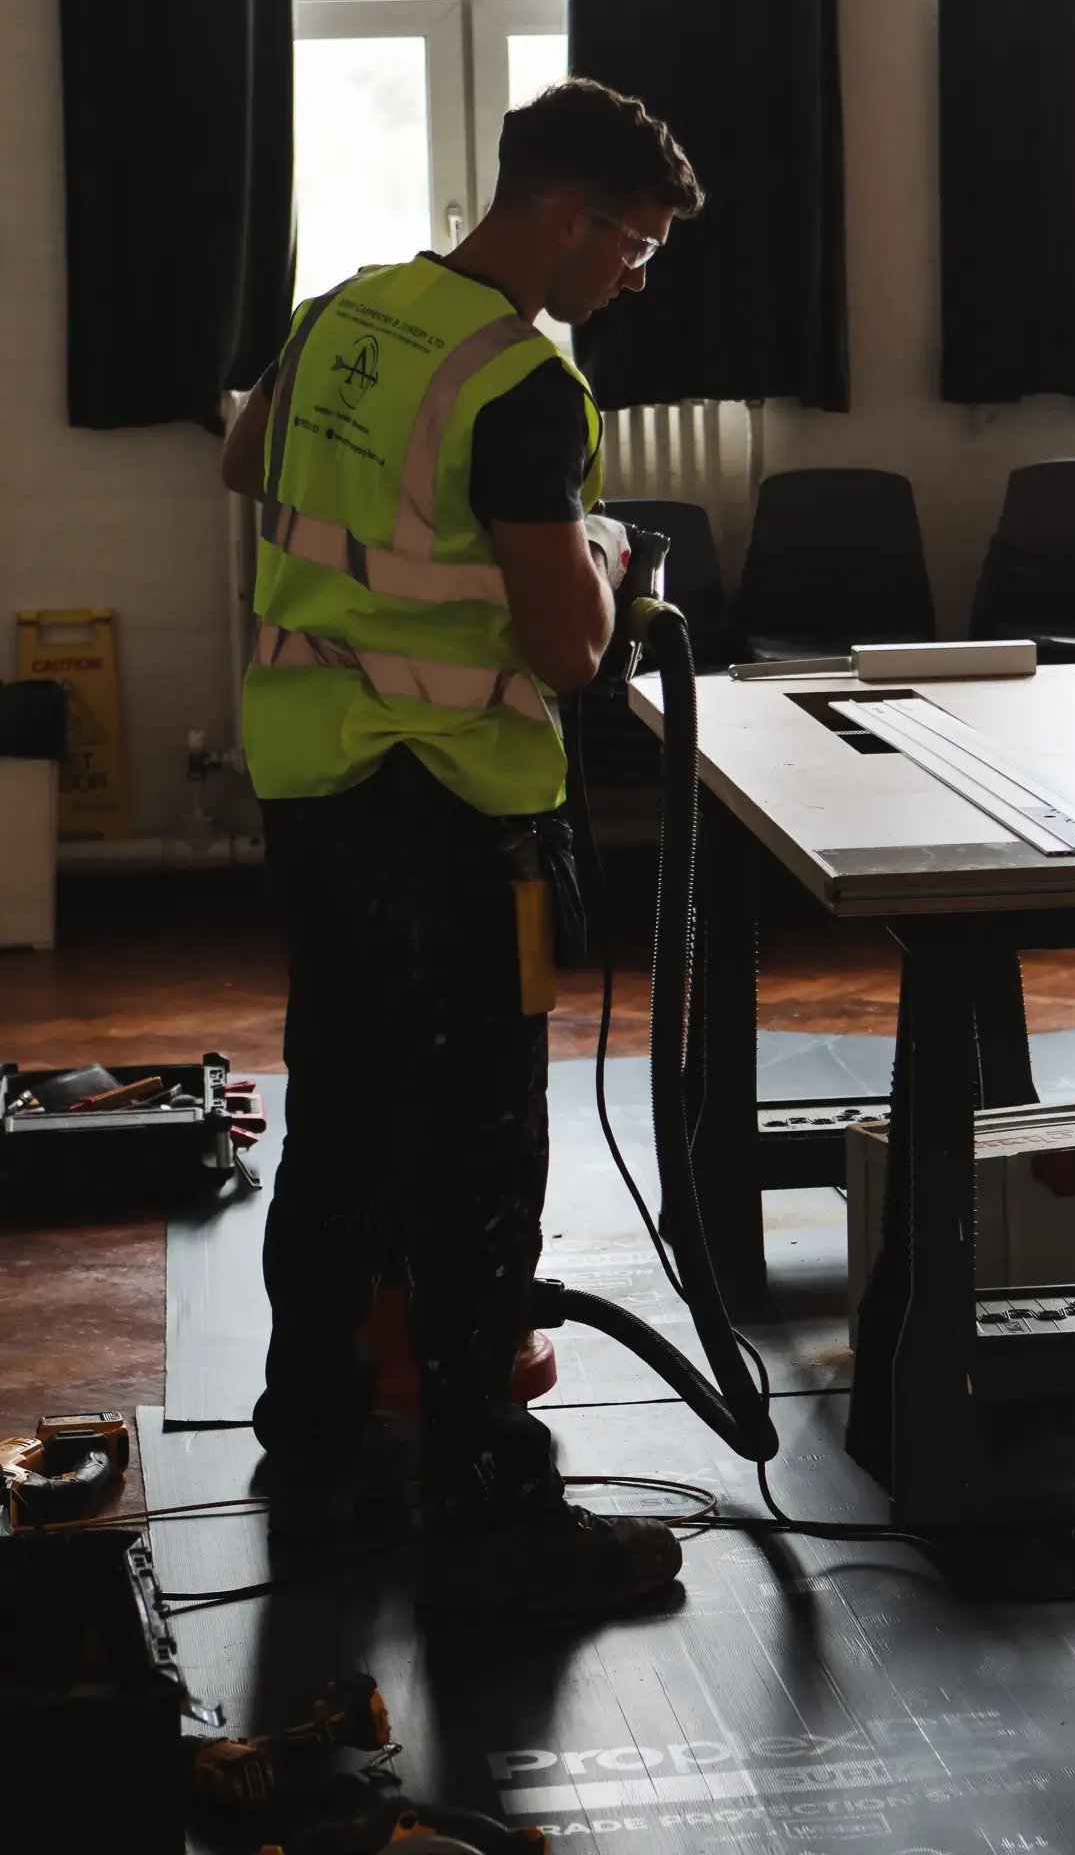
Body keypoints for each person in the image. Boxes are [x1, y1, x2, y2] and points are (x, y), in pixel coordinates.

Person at [221, 78, 704, 1614]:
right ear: (561, 216)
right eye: (629, 245)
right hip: (451, 812)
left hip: (311, 781)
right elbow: (567, 653)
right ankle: (489, 1511)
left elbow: (251, 474)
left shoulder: (349, 313)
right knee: (478, 1147)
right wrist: (609, 565)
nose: (632, 277)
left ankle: (310, 1431)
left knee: (344, 1110)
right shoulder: (522, 382)